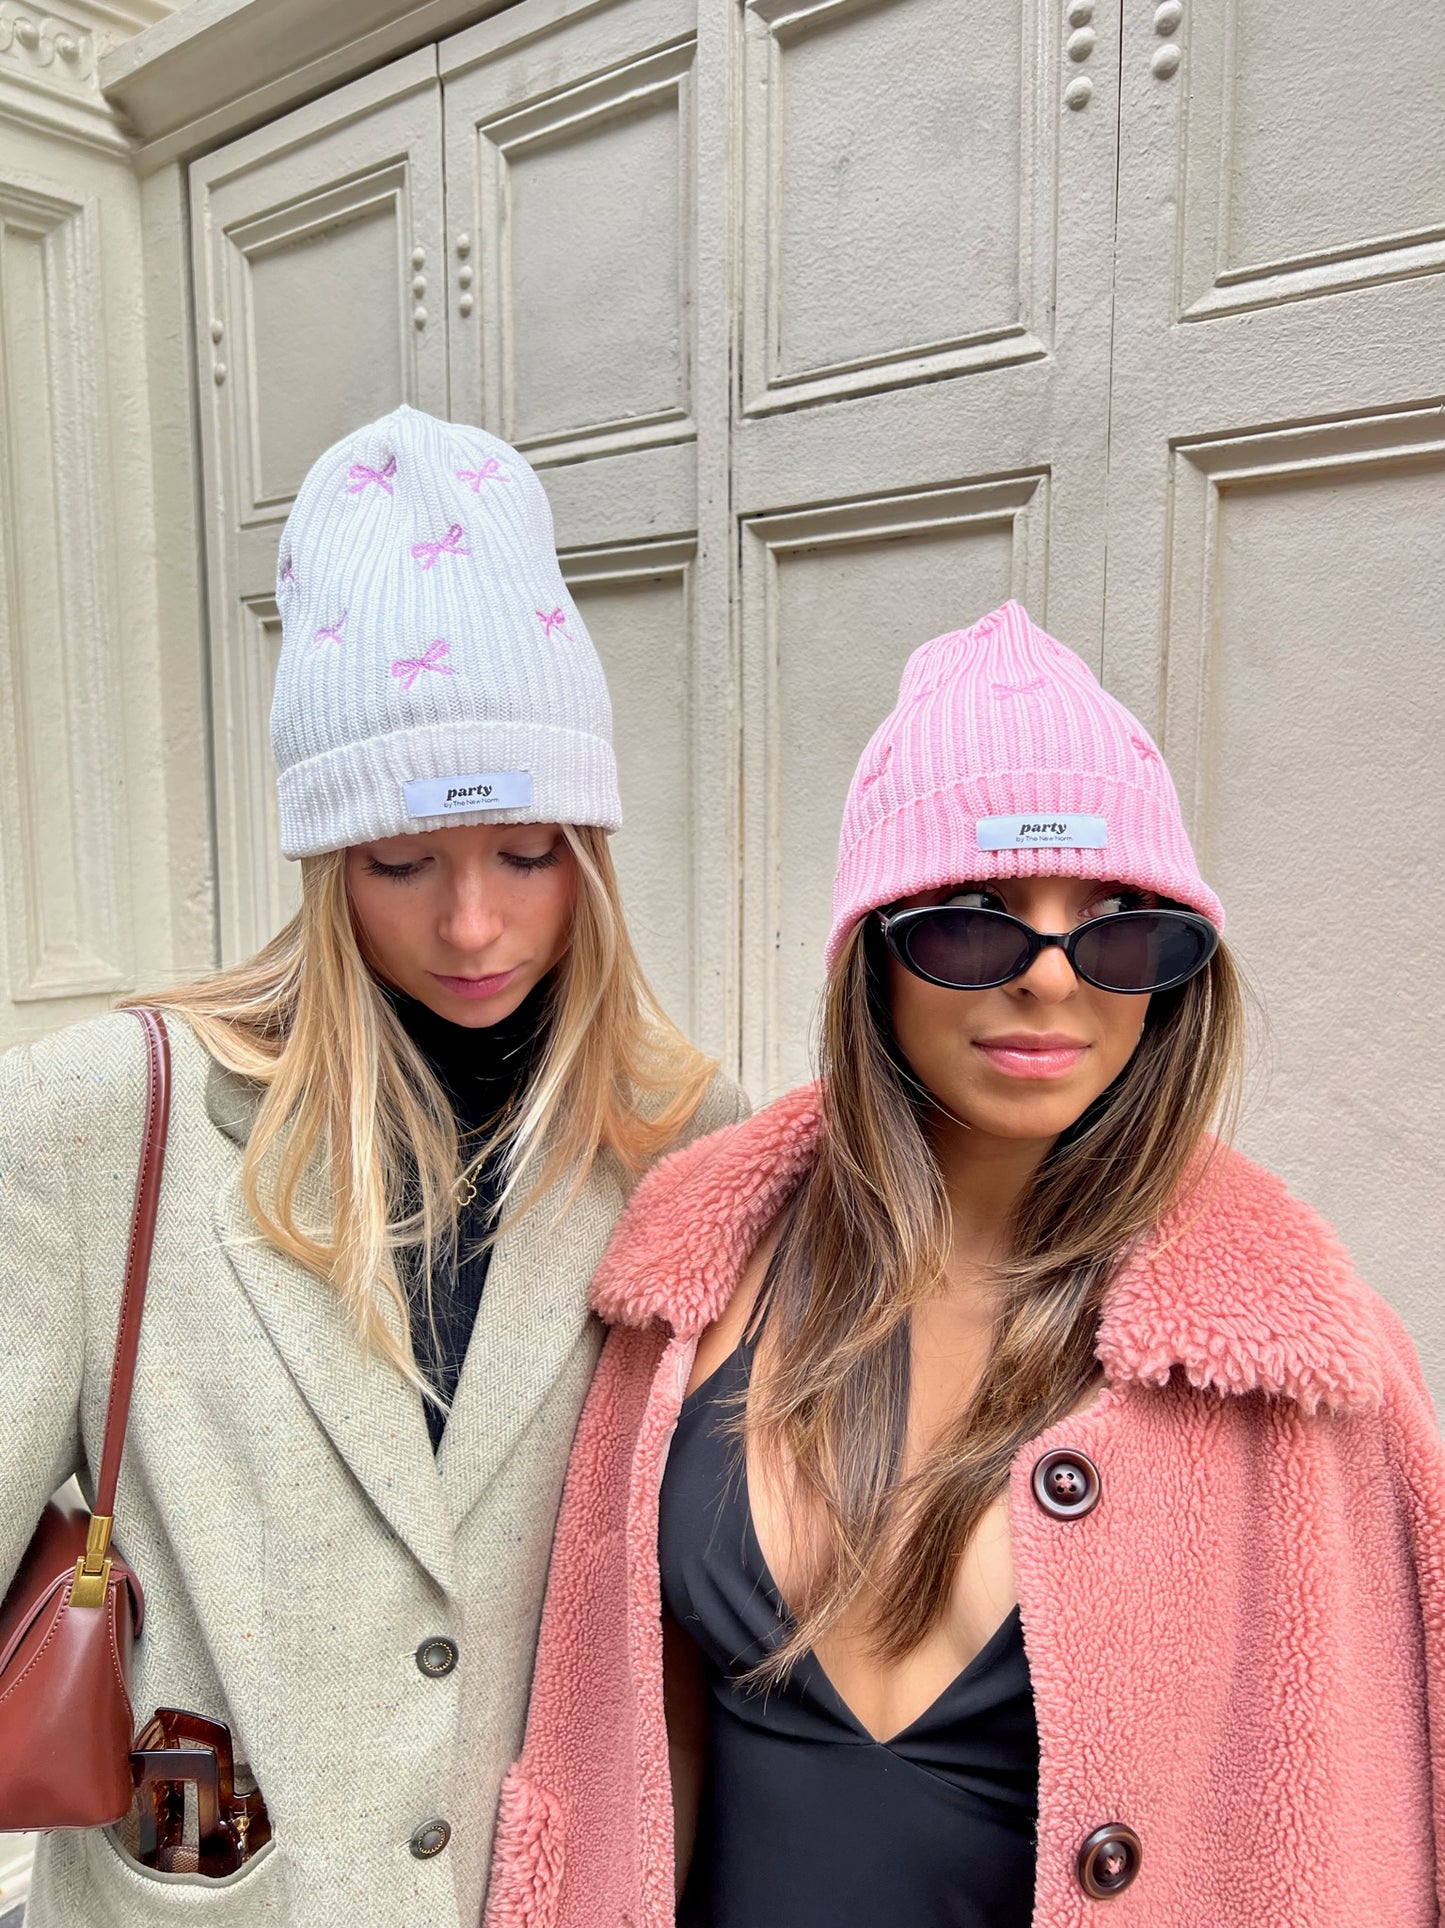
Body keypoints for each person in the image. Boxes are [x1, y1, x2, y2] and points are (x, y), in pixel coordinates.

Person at [483, 601, 1445, 1928]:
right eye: (975, 921)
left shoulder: (1302, 1374)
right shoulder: (688, 1276)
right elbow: (634, 1757)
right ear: (871, 956)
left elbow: (1347, 1831)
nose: (1051, 981)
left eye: (1118, 926)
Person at [0, 405, 743, 1927]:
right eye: (401, 863)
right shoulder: (102, 1121)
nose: (471, 926)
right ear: (324, 855)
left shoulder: (686, 1139)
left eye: (527, 854)